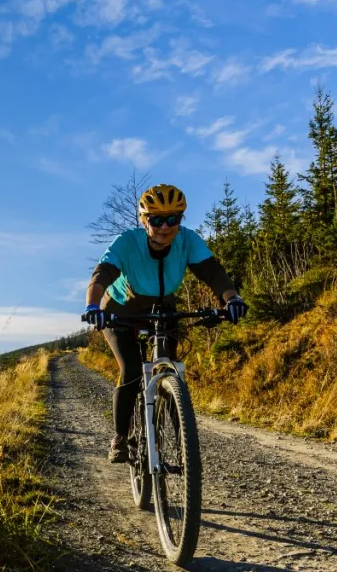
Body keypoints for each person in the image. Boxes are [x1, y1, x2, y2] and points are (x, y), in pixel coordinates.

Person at [83, 184, 247, 462]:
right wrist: (92, 306)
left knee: (169, 366)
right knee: (132, 369)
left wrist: (231, 299)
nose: (165, 227)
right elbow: (102, 274)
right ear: (143, 220)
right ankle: (121, 438)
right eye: (157, 220)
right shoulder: (127, 242)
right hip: (121, 310)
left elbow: (212, 273)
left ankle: (182, 433)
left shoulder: (187, 240)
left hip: (163, 307)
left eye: (173, 218)